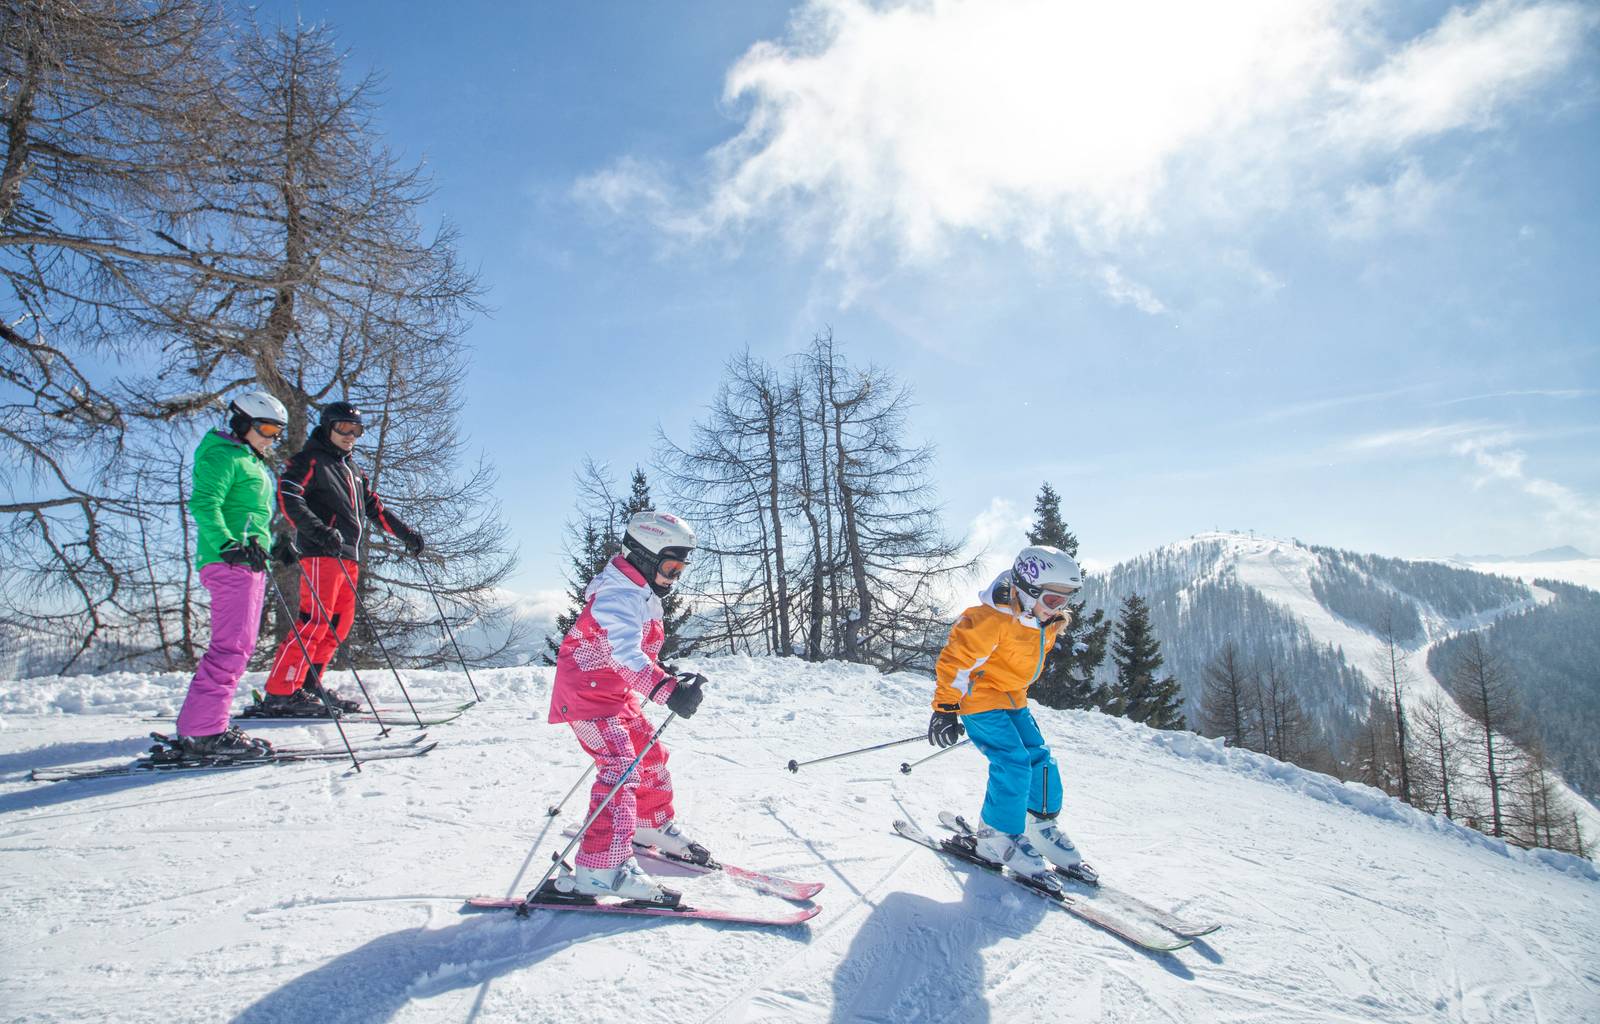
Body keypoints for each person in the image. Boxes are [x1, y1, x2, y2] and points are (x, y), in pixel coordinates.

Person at [547, 511, 708, 902]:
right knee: (619, 766)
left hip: (612, 694)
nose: (673, 578)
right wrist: (666, 690)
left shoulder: (637, 590)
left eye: (680, 570)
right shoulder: (618, 595)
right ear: (645, 555)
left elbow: (633, 652)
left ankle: (648, 824)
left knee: (648, 754)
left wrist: (662, 672)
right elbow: (623, 656)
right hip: (587, 699)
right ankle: (599, 869)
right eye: (670, 567)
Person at [927, 544, 1096, 884]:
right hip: (978, 698)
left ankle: (1040, 826)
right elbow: (956, 662)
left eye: (1066, 600)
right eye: (1052, 600)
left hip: (1012, 696)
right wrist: (946, 708)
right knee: (1013, 760)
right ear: (1028, 589)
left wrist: (1048, 613)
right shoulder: (990, 619)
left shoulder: (1040, 618)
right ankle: (996, 837)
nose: (1059, 609)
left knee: (1040, 758)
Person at [261, 401, 424, 714]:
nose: (350, 435)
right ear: (327, 427)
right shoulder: (310, 460)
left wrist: (407, 535)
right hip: (321, 553)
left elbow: (375, 509)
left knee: (338, 625)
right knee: (314, 622)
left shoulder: (352, 469)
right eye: (343, 428)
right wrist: (318, 530)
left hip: (348, 556)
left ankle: (309, 685)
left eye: (356, 430)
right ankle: (281, 691)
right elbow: (288, 495)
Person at [174, 392, 287, 757]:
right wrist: (226, 544)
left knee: (240, 646)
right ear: (242, 422)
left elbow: (249, 515)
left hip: (248, 562)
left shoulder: (248, 459)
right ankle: (203, 731)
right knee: (231, 646)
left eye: (277, 432)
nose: (272, 438)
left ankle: (206, 723)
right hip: (229, 562)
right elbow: (205, 504)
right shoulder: (223, 455)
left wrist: (271, 545)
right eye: (267, 428)